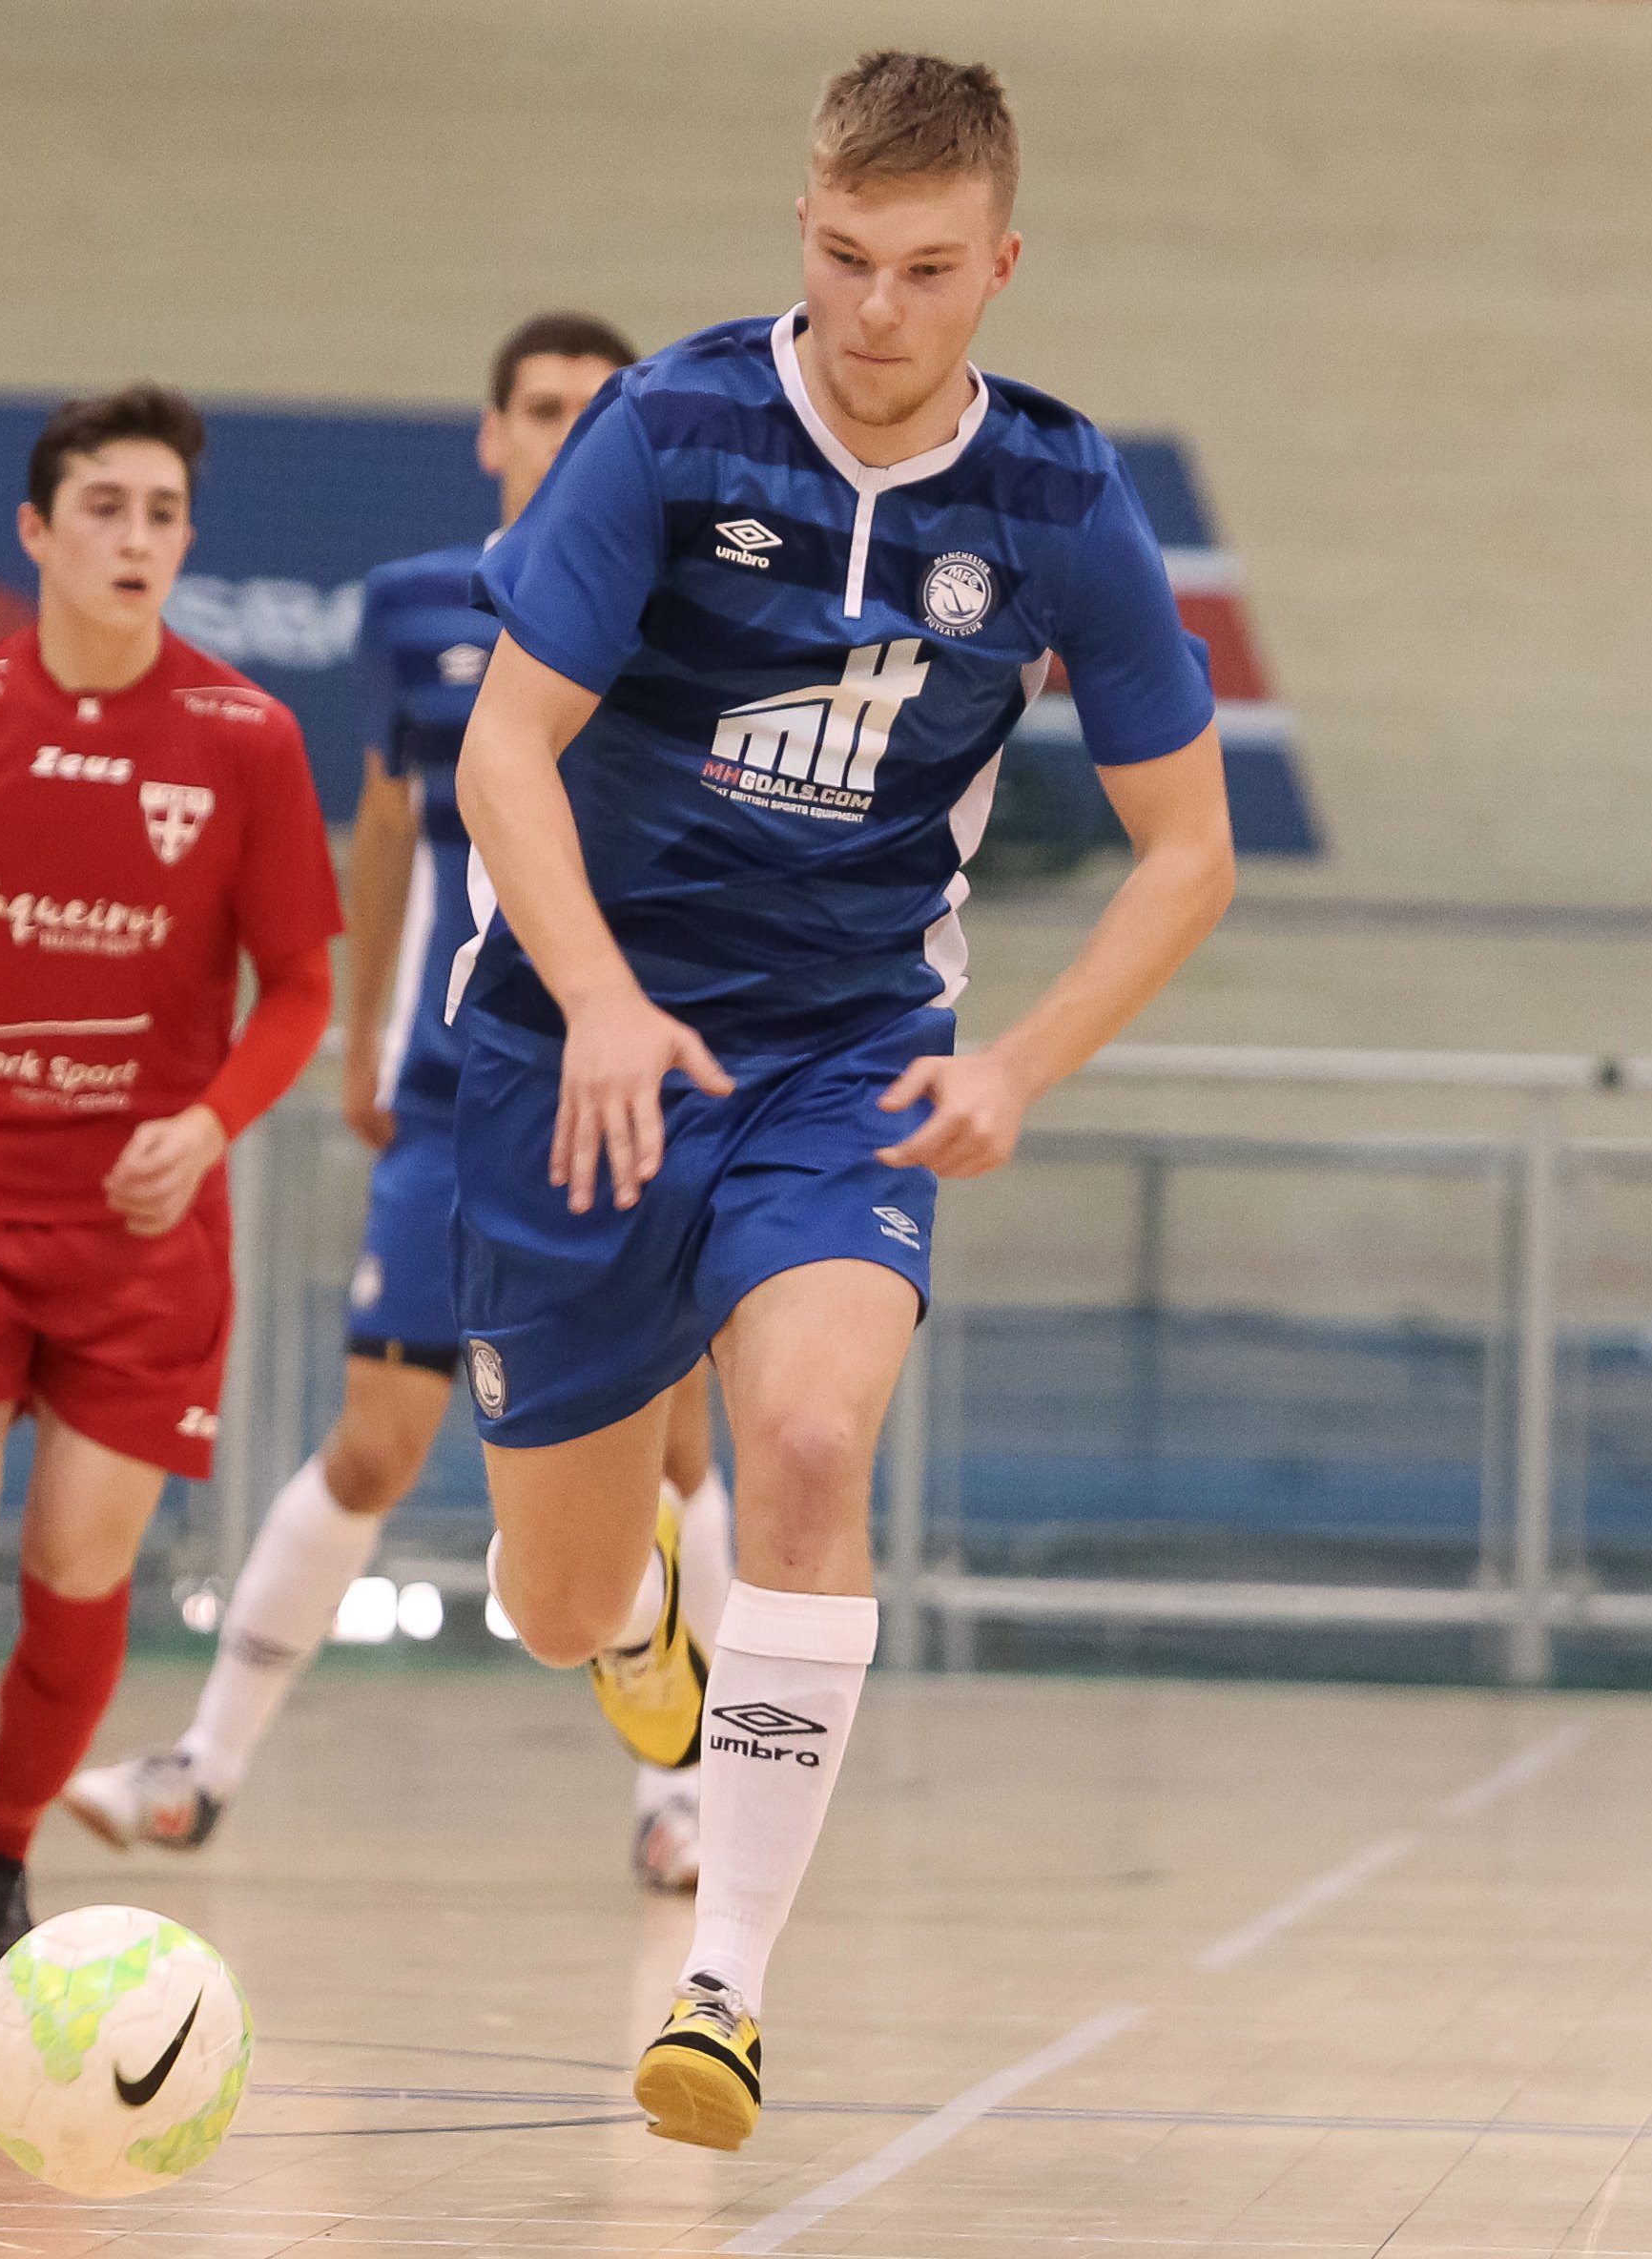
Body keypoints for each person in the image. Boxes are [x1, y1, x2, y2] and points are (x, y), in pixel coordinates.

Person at [449, 50, 1236, 2149]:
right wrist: (604, 999)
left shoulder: (1061, 496)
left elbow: (1190, 846)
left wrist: (1017, 1062)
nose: (875, 311)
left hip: (842, 1054)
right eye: (838, 255)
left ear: (999, 265)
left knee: (806, 1437)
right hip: (577, 1044)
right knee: (552, 1602)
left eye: (921, 270)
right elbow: (503, 753)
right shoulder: (671, 423)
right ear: (798, 227)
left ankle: (723, 1986)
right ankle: (641, 1621)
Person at [59, 317, 740, 1892]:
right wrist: (361, 1036)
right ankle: (205, 1765)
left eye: (600, 411)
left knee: (680, 1450)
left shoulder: (694, 605)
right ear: (491, 433)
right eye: (544, 408)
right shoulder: (417, 608)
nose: (572, 432)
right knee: (376, 1441)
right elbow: (383, 823)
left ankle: (684, 1790)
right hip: (456, 1085)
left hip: (647, 1081)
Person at [0, 383, 341, 1973]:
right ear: (37, 531)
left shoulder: (245, 740)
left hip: (141, 1243)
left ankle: (0, 1847)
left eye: (164, 513)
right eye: (107, 507)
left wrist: (211, 1120)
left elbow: (298, 988)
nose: (138, 539)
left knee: (81, 1571)